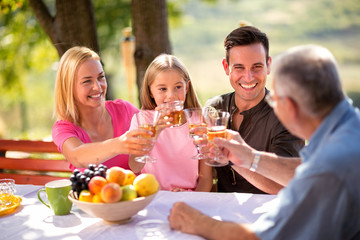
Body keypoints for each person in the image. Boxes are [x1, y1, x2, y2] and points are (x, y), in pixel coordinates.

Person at [168, 45, 360, 239]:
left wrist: (199, 223)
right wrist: (249, 157)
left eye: (275, 101)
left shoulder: (331, 167)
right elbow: (303, 170)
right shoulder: (348, 128)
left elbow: (264, 237)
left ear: (290, 107)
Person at [204, 26, 304, 194]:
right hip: (222, 211)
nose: (248, 77)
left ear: (268, 65)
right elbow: (204, 174)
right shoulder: (214, 108)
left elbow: (287, 187)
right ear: (226, 67)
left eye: (256, 66)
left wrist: (233, 159)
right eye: (239, 67)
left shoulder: (287, 115)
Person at [52, 46, 154, 171]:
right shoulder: (64, 129)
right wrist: (119, 144)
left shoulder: (125, 110)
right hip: (95, 191)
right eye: (87, 81)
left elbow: (157, 141)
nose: (98, 87)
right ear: (68, 88)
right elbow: (77, 156)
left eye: (101, 77)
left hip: (137, 189)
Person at [129, 54, 213, 192]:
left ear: (187, 87)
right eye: (162, 89)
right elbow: (134, 166)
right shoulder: (141, 120)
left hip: (190, 199)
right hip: (153, 197)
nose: (171, 96)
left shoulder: (199, 121)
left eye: (178, 87)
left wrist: (190, 200)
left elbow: (205, 178)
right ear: (150, 91)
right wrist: (155, 133)